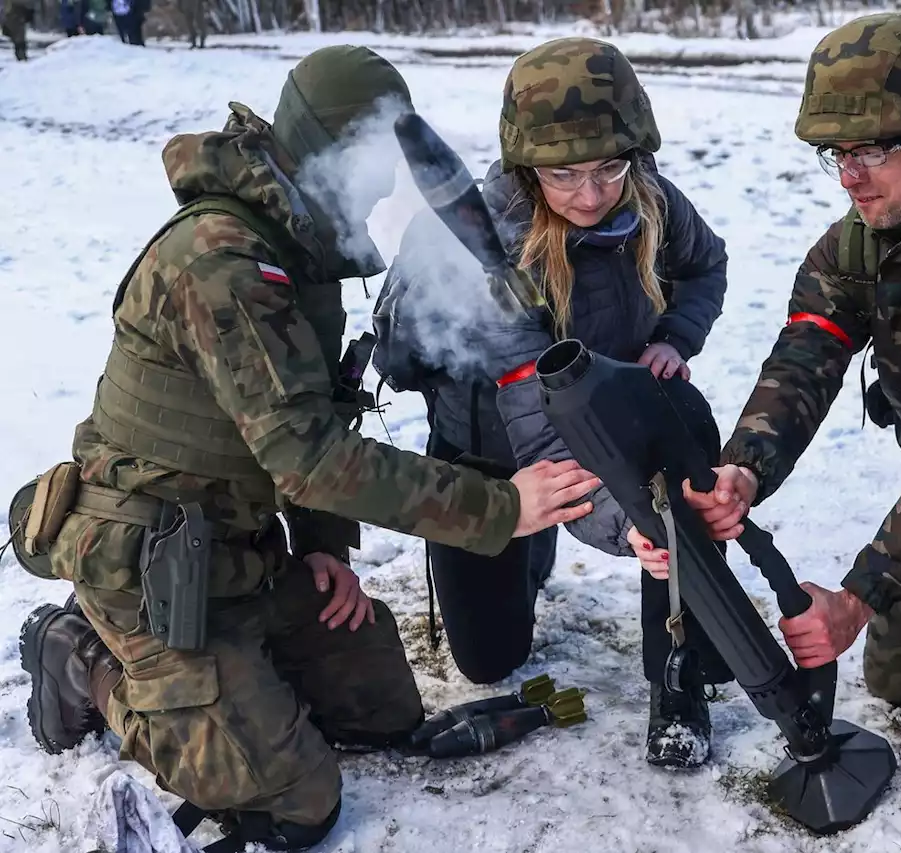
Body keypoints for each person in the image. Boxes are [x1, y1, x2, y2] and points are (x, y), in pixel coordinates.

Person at [17, 46, 598, 852]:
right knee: (299, 802)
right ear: (331, 152)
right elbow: (311, 458)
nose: (386, 186)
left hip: (234, 551)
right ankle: (84, 653)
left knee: (382, 713)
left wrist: (322, 545)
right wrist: (503, 507)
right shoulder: (225, 263)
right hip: (144, 559)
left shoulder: (297, 245)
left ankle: (234, 690)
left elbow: (307, 417)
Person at [634, 12, 901, 708]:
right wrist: (742, 469)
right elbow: (802, 359)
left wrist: (859, 595)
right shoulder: (856, 246)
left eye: (871, 152)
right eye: (836, 154)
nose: (850, 178)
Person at [377, 35, 731, 769]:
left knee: (683, 451)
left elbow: (706, 268)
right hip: (491, 455)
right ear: (524, 166)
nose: (593, 194)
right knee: (489, 660)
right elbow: (539, 429)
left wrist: (673, 338)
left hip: (616, 417)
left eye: (609, 167)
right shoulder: (486, 247)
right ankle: (525, 544)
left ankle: (679, 668)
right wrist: (613, 519)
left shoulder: (655, 200)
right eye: (564, 174)